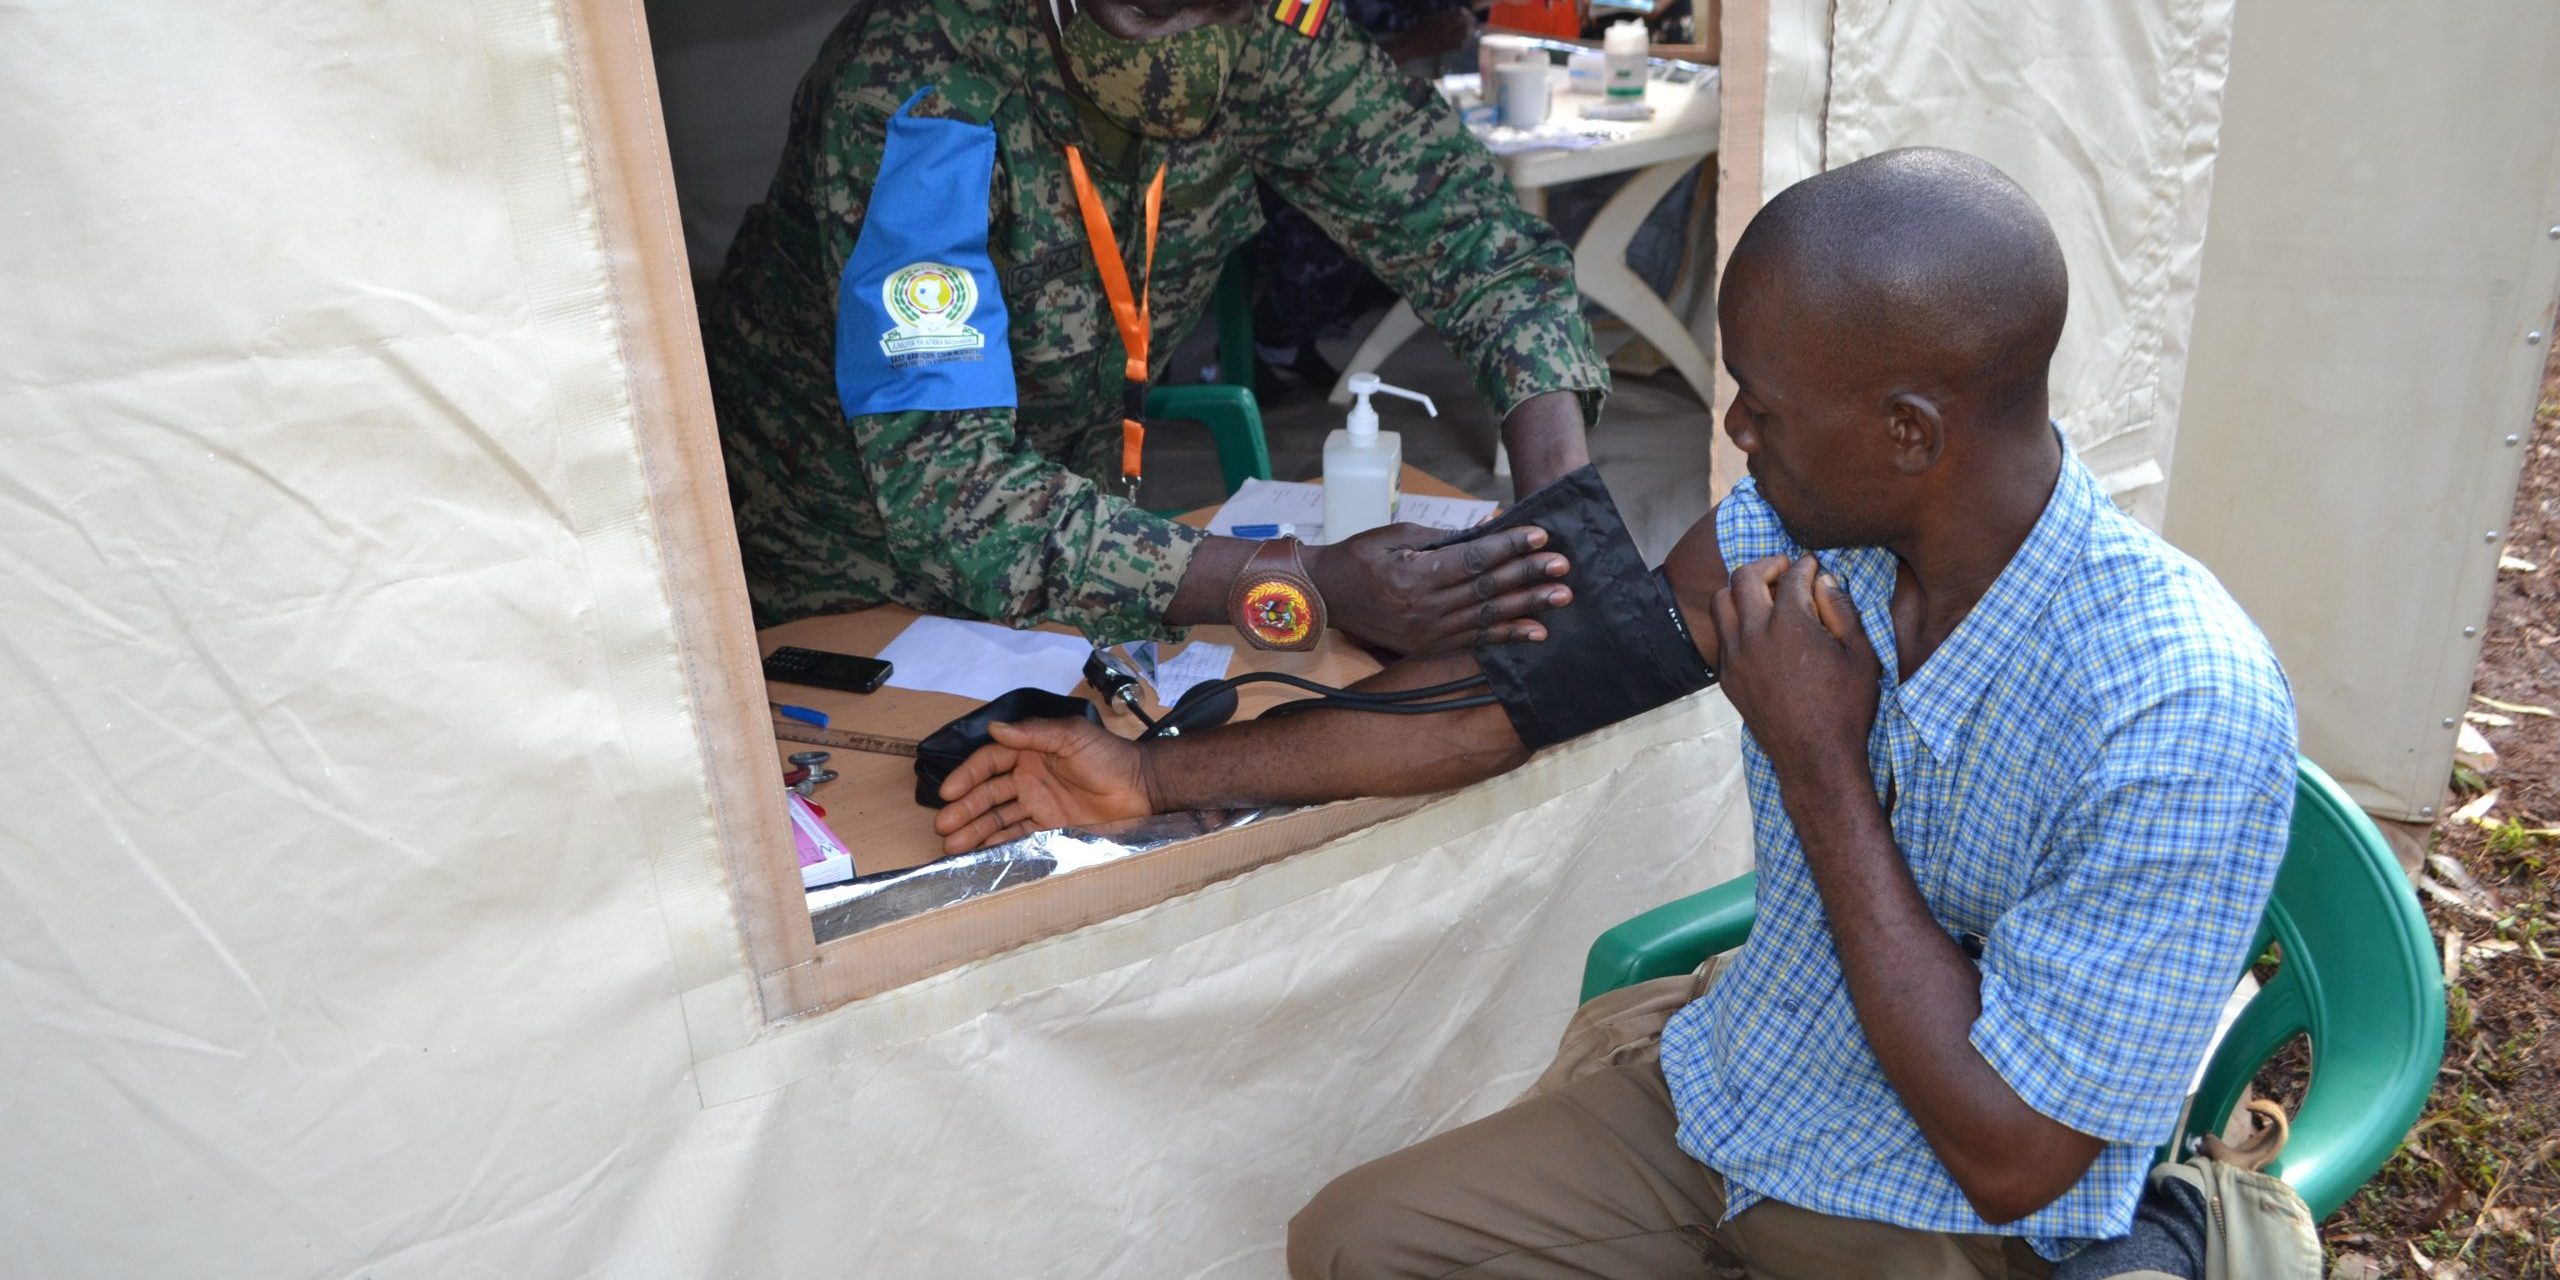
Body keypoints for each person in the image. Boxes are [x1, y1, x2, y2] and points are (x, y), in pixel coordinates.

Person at [930, 148, 2299, 1277]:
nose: (1736, 434)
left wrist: (1819, 759)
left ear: (1908, 433)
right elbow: (1510, 702)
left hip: (1942, 1217)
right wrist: (1152, 779)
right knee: (1359, 1243)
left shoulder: (2178, 709)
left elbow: (2012, 1156)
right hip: (1750, 1092)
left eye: (1765, 409)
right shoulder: (1804, 531)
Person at [704, 0, 1609, 654]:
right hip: (841, 565)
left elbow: (1472, 235)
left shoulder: (1269, 30)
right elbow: (946, 481)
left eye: (1220, 9)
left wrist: (1560, 504)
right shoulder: (922, 79)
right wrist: (1299, 582)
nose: (1187, 45)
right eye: (1144, 10)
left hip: (1076, 535)